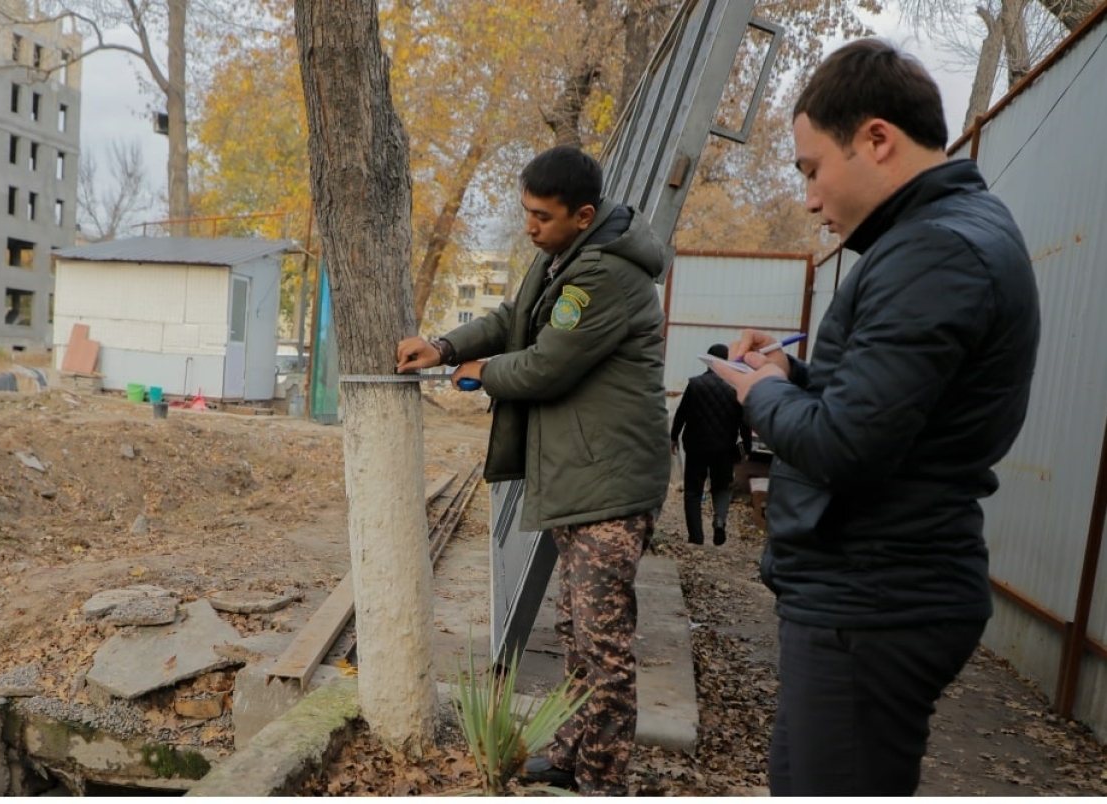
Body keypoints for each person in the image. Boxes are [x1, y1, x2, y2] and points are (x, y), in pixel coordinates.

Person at [709, 39, 1040, 796]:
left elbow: (847, 443)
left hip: (875, 599)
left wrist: (757, 396)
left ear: (878, 139)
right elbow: (892, 405)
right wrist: (791, 373)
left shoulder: (936, 251)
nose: (810, 198)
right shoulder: (942, 235)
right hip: (867, 589)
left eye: (812, 169)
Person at [397, 145, 670, 795]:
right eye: (525, 213)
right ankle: (577, 755)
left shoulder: (602, 276)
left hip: (608, 482)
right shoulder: (562, 259)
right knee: (577, 631)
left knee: (602, 645)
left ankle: (604, 781)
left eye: (540, 216)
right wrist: (444, 345)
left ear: (582, 215)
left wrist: (481, 372)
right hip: (584, 474)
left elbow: (547, 365)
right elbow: (511, 321)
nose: (528, 226)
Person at [671, 343, 752, 545]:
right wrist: (747, 449)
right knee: (721, 487)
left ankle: (696, 538)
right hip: (724, 449)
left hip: (696, 447)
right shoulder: (734, 388)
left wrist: (673, 437)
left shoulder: (695, 384)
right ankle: (719, 520)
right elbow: (745, 421)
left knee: (692, 492)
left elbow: (682, 414)